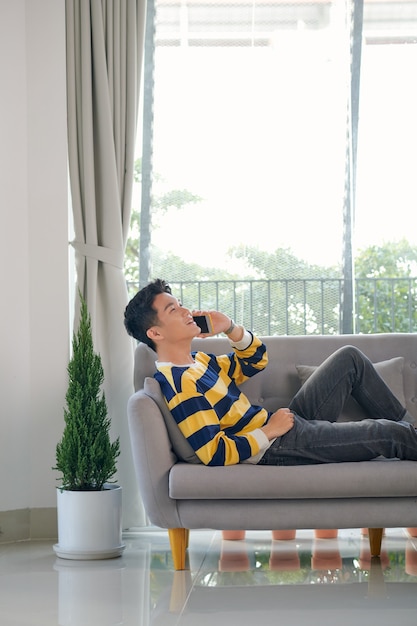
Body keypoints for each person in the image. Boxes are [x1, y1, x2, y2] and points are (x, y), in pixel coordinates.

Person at [124, 278, 417, 467]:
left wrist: (229, 327)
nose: (186, 310)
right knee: (387, 434)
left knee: (349, 359)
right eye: (173, 310)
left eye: (180, 304)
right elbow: (214, 452)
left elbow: (255, 360)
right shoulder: (180, 383)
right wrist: (270, 431)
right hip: (276, 446)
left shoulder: (199, 362)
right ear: (155, 333)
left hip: (285, 425)